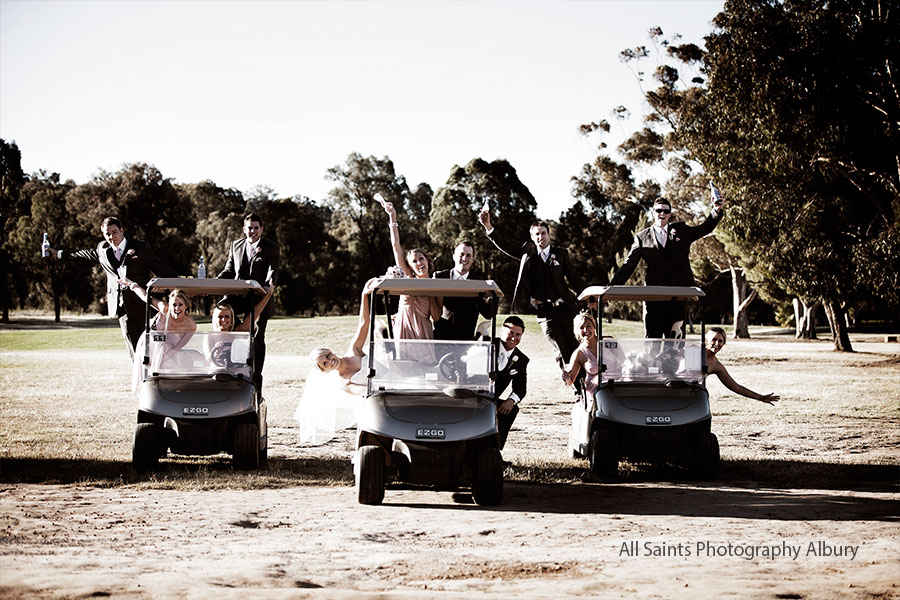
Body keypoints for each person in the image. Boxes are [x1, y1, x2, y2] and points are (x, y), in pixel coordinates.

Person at [45, 217, 177, 357]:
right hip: (121, 308)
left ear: (122, 230)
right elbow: (82, 254)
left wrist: (183, 286)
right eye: (107, 234)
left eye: (114, 232)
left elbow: (161, 269)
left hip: (141, 304)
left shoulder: (140, 248)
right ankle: (139, 377)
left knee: (149, 346)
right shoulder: (102, 250)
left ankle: (153, 375)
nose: (111, 237)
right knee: (133, 349)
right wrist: (58, 253)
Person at [479, 211, 583, 372]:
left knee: (576, 347)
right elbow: (505, 245)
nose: (540, 237)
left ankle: (585, 389)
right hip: (545, 312)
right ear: (532, 237)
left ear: (549, 235)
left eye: (543, 233)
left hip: (566, 309)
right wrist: (488, 226)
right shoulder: (527, 254)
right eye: (537, 234)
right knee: (561, 350)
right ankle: (576, 389)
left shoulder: (561, 254)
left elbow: (574, 278)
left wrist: (587, 297)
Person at [610, 195, 724, 338]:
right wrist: (612, 288)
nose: (662, 214)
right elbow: (628, 265)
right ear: (653, 212)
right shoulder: (642, 237)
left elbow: (704, 229)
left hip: (678, 297)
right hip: (653, 298)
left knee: (676, 343)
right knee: (652, 341)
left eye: (666, 211)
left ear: (670, 214)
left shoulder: (681, 231)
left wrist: (716, 209)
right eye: (658, 211)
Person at [216, 212, 279, 392]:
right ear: (244, 229)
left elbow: (273, 269)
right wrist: (213, 283)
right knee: (228, 325)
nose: (253, 231)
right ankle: (229, 370)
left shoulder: (270, 247)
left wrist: (270, 283)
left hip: (259, 299)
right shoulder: (236, 245)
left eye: (256, 228)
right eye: (249, 228)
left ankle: (256, 381)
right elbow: (229, 270)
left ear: (261, 229)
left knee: (257, 339)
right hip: (237, 298)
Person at [383, 201, 441, 354]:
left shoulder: (437, 285)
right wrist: (392, 216)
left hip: (423, 333)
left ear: (427, 260)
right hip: (403, 329)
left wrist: (429, 292)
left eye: (421, 258)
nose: (419, 263)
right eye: (414, 261)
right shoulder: (408, 278)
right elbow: (396, 246)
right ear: (410, 267)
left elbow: (436, 317)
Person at [119, 280, 197, 390]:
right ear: (169, 305)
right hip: (150, 345)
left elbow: (178, 347)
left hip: (169, 353)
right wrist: (133, 285)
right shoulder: (164, 309)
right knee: (146, 379)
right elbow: (146, 297)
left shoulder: (190, 325)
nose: (177, 308)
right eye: (174, 305)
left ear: (186, 306)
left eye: (180, 305)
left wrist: (160, 360)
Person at [432, 240, 494, 340]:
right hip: (441, 338)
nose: (464, 258)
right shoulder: (440, 277)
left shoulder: (479, 282)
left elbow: (488, 314)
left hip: (466, 340)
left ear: (473, 259)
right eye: (461, 254)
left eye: (468, 255)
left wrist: (492, 296)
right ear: (454, 257)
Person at [705, 327, 779, 405]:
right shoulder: (695, 351)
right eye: (714, 339)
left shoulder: (717, 366)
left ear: (723, 344)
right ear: (706, 340)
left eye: (720, 341)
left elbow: (736, 387)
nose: (717, 344)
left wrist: (760, 397)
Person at [492, 315, 530, 450]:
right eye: (511, 333)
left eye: (518, 334)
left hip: (493, 399)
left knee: (511, 409)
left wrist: (511, 400)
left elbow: (521, 388)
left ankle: (496, 451)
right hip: (474, 395)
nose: (514, 338)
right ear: (502, 331)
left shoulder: (521, 359)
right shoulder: (488, 344)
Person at [561, 313, 600, 399]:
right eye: (581, 328)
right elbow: (570, 381)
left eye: (589, 326)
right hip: (596, 391)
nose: (586, 330)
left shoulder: (607, 342)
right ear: (577, 332)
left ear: (594, 327)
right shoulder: (579, 353)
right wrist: (566, 378)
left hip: (614, 385)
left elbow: (623, 362)